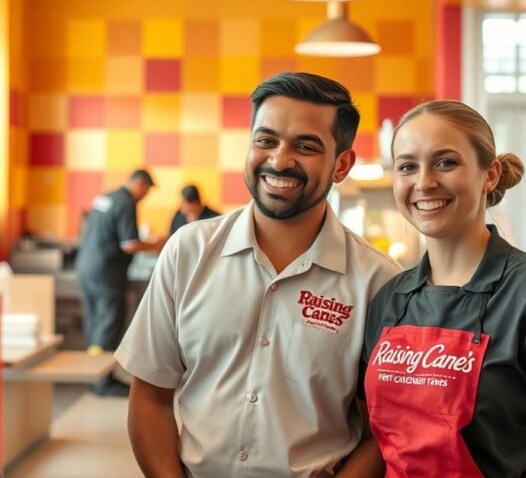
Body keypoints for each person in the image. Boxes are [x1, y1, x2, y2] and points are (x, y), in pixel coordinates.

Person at [117, 72, 401, 477]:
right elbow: (150, 397)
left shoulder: (379, 282)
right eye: (265, 140)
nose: (279, 160)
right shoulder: (188, 252)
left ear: (342, 165)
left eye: (305, 146)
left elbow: (383, 428)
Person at [360, 100, 526, 477]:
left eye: (446, 162)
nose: (424, 182)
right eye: (408, 166)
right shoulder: (390, 298)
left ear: (490, 174)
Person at [74, 168, 163, 397]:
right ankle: (103, 381)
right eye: (147, 191)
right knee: (109, 323)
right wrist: (156, 245)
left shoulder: (106, 197)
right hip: (106, 271)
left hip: (86, 265)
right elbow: (129, 244)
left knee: (95, 322)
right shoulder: (126, 202)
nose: (145, 196)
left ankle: (93, 376)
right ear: (140, 185)